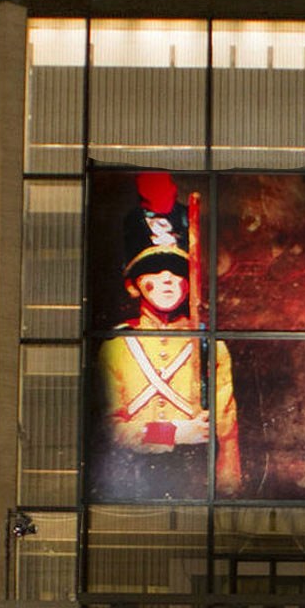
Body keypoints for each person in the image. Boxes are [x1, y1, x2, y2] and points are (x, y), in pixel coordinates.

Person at [92, 171, 240, 500]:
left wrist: (229, 492)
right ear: (133, 284)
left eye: (176, 270)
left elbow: (227, 430)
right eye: (153, 272)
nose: (167, 280)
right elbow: (113, 431)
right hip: (134, 482)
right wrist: (175, 432)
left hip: (194, 481)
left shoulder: (209, 344)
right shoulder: (117, 346)